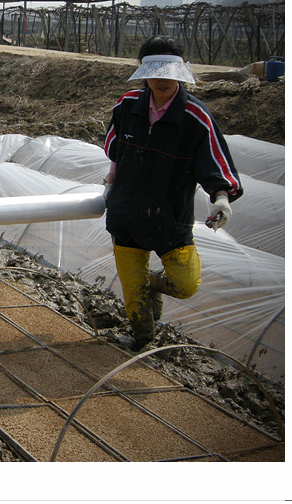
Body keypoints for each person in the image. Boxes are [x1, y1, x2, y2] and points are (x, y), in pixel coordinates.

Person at [103, 36, 243, 350]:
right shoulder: (127, 106)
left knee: (185, 283)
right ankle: (142, 340)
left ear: (180, 73)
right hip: (126, 214)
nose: (162, 80)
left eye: (169, 72)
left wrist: (221, 197)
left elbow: (215, 161)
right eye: (155, 72)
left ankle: (151, 282)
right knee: (133, 293)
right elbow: (114, 148)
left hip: (170, 220)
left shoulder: (195, 117)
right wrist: (111, 180)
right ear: (144, 73)